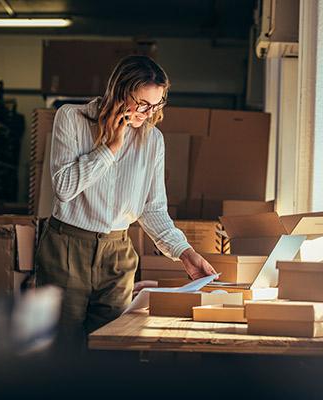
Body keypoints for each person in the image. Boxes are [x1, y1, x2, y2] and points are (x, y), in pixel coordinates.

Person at [35, 55, 217, 350]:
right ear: (119, 91)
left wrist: (185, 253)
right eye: (142, 103)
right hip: (66, 248)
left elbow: (153, 209)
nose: (148, 112)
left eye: (156, 105)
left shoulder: (153, 140)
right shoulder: (71, 118)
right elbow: (64, 188)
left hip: (118, 255)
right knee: (61, 350)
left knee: (112, 349)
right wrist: (110, 148)